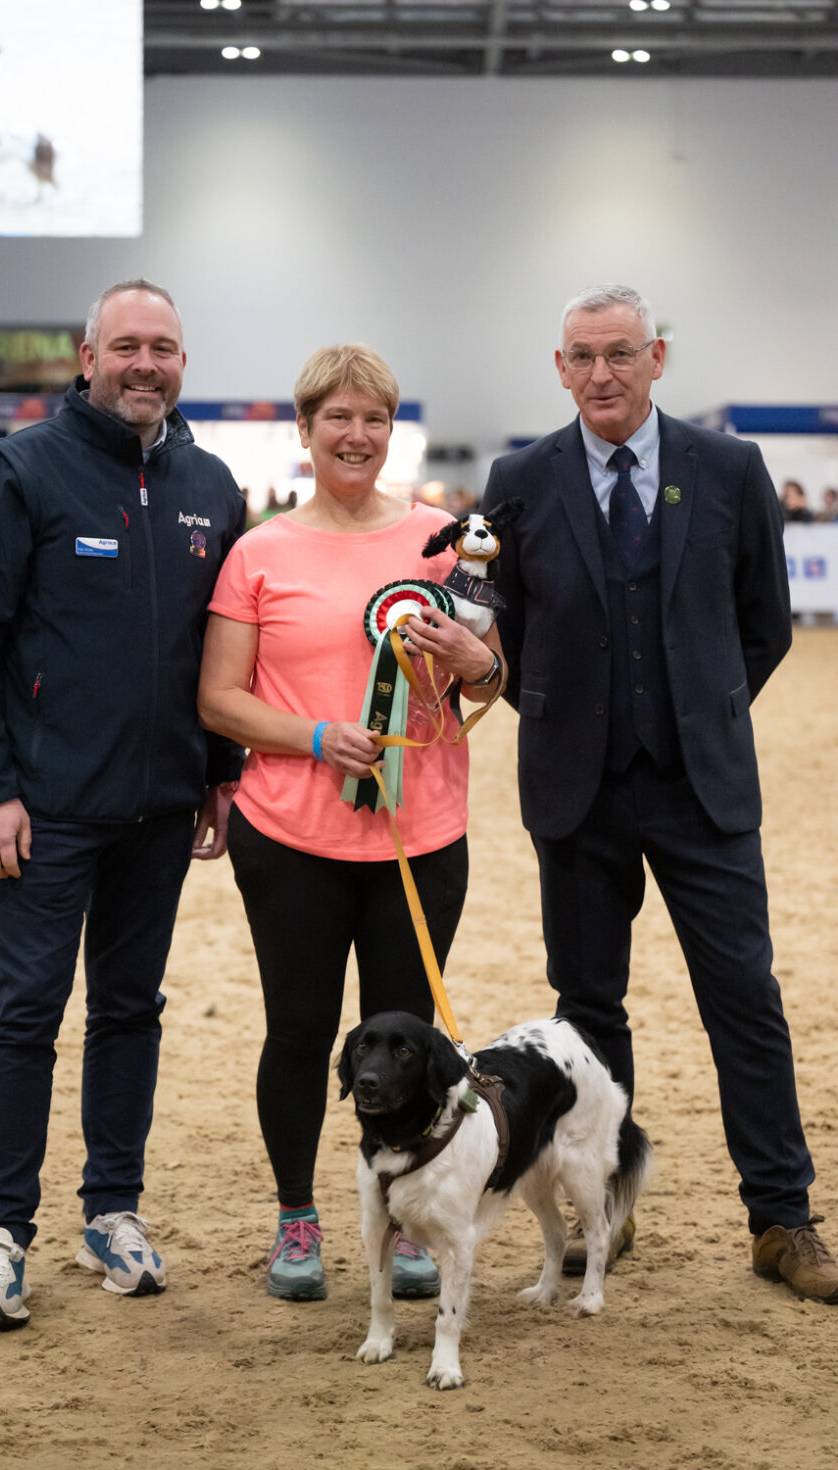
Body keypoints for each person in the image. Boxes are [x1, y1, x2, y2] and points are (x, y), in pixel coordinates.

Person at [481, 283, 838, 1304]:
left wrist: (699, 715)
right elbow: (495, 635)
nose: (601, 373)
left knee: (745, 1000)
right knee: (588, 1009)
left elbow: (761, 625)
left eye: (620, 354)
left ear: (656, 358)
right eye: (581, 357)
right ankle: (604, 1208)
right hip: (574, 792)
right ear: (558, 369)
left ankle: (779, 1218)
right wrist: (555, 719)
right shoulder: (519, 477)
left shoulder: (727, 469)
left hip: (701, 790)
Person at [0, 279, 247, 1331]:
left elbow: (217, 649)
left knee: (129, 1011)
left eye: (162, 347)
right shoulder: (16, 471)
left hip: (160, 809)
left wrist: (218, 772)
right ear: (86, 355)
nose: (144, 364)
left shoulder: (211, 484)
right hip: (43, 811)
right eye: (126, 346)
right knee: (23, 1014)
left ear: (181, 363)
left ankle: (111, 1208)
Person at [198, 344, 505, 1302]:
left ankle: (409, 1218)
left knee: (409, 1041)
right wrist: (317, 736)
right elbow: (218, 700)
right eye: (337, 417)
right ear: (304, 431)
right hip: (290, 835)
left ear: (390, 430)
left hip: (421, 838)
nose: (356, 435)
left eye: (373, 419)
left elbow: (490, 682)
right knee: (299, 1031)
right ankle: (298, 1218)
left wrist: (474, 661)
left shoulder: (446, 543)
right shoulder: (260, 553)